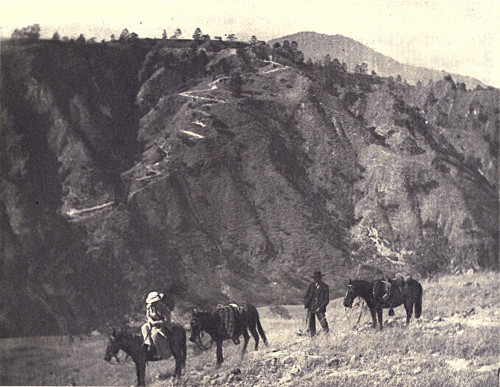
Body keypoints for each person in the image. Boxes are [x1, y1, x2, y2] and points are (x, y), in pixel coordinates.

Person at [141, 291, 173, 356]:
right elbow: (148, 316)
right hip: (152, 323)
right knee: (144, 327)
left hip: (162, 325)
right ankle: (148, 344)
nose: (152, 304)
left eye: (154, 302)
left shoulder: (163, 308)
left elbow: (167, 320)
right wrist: (150, 321)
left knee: (155, 335)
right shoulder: (149, 307)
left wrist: (156, 323)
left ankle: (160, 352)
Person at [303, 271, 330, 337]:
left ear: (320, 278)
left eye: (318, 278)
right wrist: (306, 304)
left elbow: (326, 299)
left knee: (323, 323)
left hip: (320, 308)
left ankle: (327, 336)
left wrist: (320, 307)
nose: (316, 279)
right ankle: (313, 337)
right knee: (311, 324)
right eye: (315, 278)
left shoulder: (325, 287)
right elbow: (306, 296)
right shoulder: (311, 286)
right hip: (311, 307)